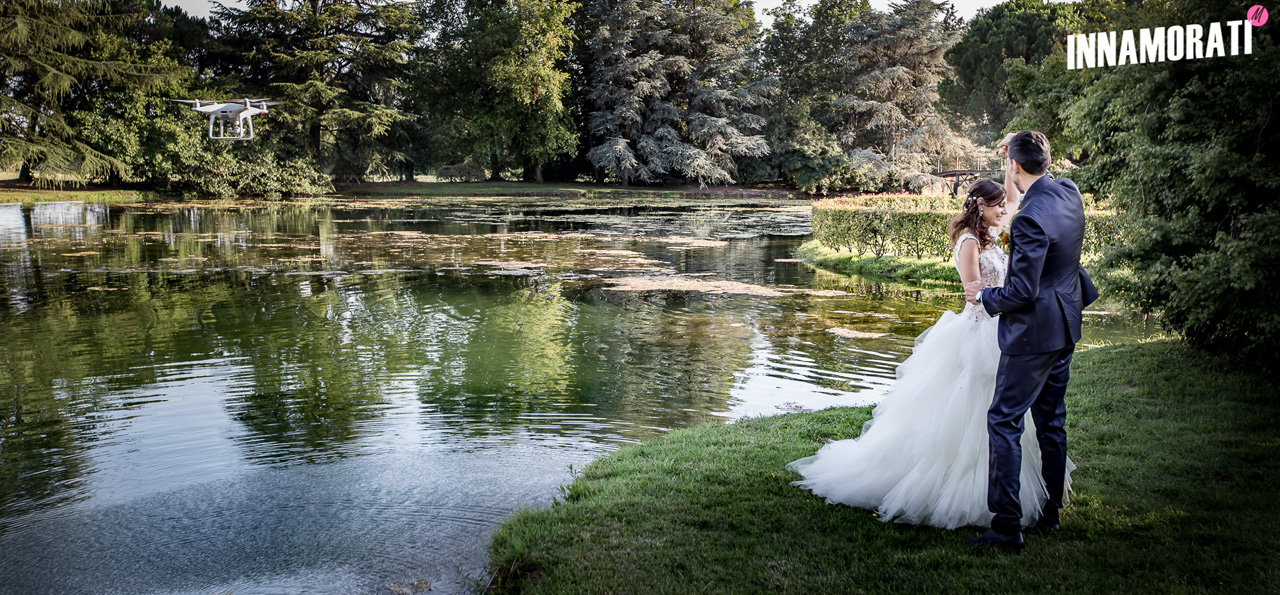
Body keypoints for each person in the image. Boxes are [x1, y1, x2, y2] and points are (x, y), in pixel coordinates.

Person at [786, 160, 1070, 531]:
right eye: (998, 205)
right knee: (975, 413)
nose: (1005, 209)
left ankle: (1011, 495)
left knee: (1007, 414)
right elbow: (973, 295)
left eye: (1004, 203)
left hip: (1004, 329)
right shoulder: (969, 242)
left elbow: (1016, 199)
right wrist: (1006, 294)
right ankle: (971, 493)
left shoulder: (991, 235)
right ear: (980, 207)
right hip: (979, 332)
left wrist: (1008, 166)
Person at [962, 131, 1098, 550]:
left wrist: (985, 296)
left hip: (1033, 334)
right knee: (1051, 420)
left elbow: (1020, 292)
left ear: (1014, 166)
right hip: (1065, 325)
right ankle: (1051, 513)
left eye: (1010, 163)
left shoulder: (1028, 219)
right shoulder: (1069, 192)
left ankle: (1006, 526)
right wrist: (1018, 149)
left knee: (1003, 419)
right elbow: (1038, 182)